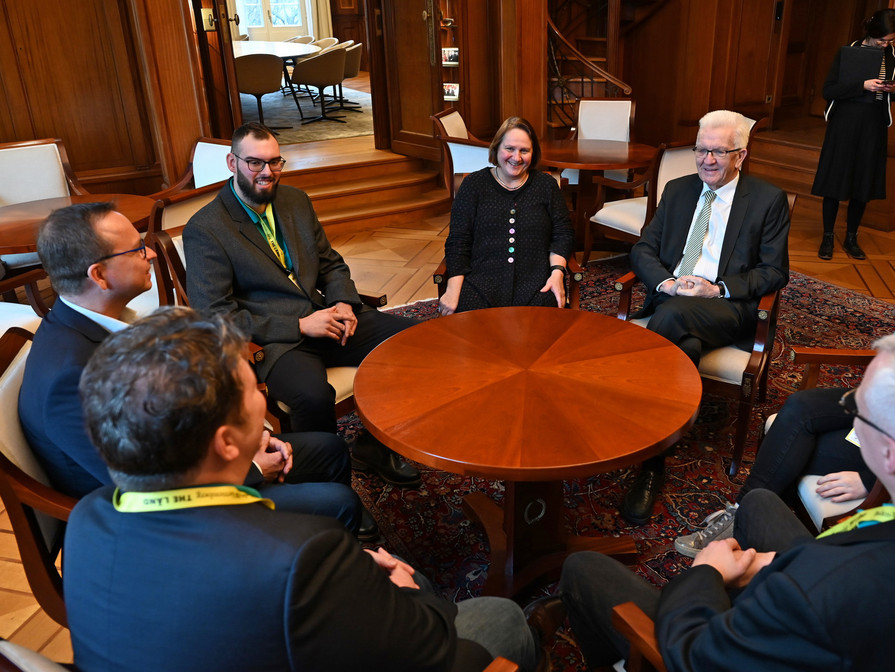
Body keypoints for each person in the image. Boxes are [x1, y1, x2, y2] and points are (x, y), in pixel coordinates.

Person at [63, 308, 538, 672]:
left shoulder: (89, 516)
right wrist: (403, 590)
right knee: (500, 618)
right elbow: (428, 651)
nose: (265, 396)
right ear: (226, 443)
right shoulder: (302, 557)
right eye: (253, 389)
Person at [553, 331, 895, 671]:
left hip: (773, 633)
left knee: (582, 570)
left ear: (890, 455)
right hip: (873, 603)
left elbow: (696, 655)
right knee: (760, 504)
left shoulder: (814, 592)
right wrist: (786, 566)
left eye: (857, 409)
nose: (848, 412)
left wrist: (707, 575)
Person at [16, 203, 375, 537]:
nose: (151, 253)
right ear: (100, 276)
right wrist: (249, 469)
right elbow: (138, 486)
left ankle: (337, 548)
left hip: (184, 462)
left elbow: (163, 421)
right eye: (137, 249)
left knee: (329, 448)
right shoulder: (70, 377)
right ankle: (320, 570)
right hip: (160, 522)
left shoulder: (101, 322)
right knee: (338, 503)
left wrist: (241, 436)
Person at [675, 210, 895, 557]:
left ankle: (747, 529)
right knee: (799, 408)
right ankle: (749, 521)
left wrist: (869, 479)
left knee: (789, 451)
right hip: (884, 415)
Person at [185, 122, 420, 486]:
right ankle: (328, 488)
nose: (267, 172)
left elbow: (330, 263)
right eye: (255, 163)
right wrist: (297, 326)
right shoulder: (206, 228)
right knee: (312, 397)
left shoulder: (295, 200)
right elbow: (214, 315)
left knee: (412, 344)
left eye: (275, 162)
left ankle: (372, 447)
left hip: (328, 316)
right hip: (277, 341)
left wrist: (342, 301)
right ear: (232, 163)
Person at [621, 109, 790, 525]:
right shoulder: (678, 191)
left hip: (728, 307)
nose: (707, 160)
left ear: (740, 155)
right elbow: (643, 250)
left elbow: (774, 272)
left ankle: (637, 430)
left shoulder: (767, 200)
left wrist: (717, 287)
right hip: (672, 300)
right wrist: (666, 283)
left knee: (675, 319)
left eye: (718, 152)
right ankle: (654, 455)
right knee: (683, 336)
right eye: (701, 150)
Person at [439, 116, 573, 316]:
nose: (516, 157)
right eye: (509, 148)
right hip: (480, 284)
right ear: (496, 148)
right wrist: (452, 289)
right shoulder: (474, 186)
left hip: (537, 284)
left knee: (544, 332)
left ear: (533, 153)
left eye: (524, 150)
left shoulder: (546, 186)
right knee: (470, 332)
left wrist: (557, 274)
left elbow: (563, 234)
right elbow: (459, 240)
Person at [812, 8, 895, 260]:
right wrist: (862, 85)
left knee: (863, 182)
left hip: (873, 123)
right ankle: (828, 236)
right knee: (835, 181)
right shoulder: (848, 51)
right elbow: (828, 89)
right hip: (844, 122)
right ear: (871, 33)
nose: (886, 45)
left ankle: (852, 237)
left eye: (891, 41)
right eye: (882, 40)